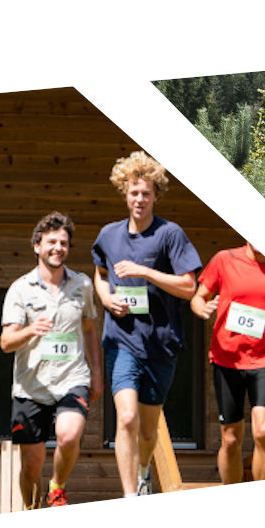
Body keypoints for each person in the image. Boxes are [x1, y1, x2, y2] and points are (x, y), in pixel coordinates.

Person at [92, 151, 203, 497]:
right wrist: (106, 298)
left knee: (148, 431)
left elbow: (189, 287)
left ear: (156, 195)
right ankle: (129, 496)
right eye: (134, 192)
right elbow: (99, 273)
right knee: (125, 419)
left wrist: (145, 272)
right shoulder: (109, 235)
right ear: (124, 193)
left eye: (146, 193)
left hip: (161, 343)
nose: (139, 199)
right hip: (122, 340)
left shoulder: (170, 234)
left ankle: (142, 476)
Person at [0, 212, 102, 509]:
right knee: (31, 467)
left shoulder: (82, 285)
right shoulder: (20, 289)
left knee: (68, 435)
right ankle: (32, 510)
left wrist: (97, 374)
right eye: (52, 242)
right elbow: (6, 343)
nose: (58, 248)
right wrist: (31, 330)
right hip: (31, 387)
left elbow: (89, 329)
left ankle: (57, 487)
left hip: (73, 379)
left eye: (64, 243)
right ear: (37, 246)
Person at [191, 244, 265, 483]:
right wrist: (203, 308)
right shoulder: (224, 259)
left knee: (263, 431)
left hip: (264, 358)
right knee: (231, 437)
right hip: (226, 358)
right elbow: (199, 297)